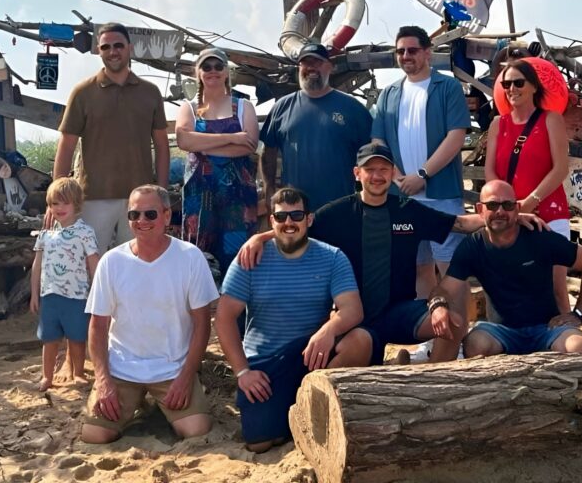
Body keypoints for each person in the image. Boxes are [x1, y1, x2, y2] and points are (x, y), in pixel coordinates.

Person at [239, 144, 542, 367]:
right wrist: (261, 236)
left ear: (393, 173)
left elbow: (461, 223)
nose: (377, 175)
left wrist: (511, 217)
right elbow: (296, 227)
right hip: (355, 318)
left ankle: (435, 380)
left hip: (399, 311)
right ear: (357, 174)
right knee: (353, 369)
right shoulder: (337, 213)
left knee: (454, 323)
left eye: (383, 169)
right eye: (369, 169)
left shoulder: (407, 210)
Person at [215, 187, 363, 452]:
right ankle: (290, 417)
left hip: (311, 354)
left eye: (296, 215)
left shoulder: (332, 257)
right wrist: (242, 372)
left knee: (360, 341)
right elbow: (224, 319)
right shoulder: (250, 258)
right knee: (260, 443)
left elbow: (352, 310)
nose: (289, 223)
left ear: (309, 219)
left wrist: (328, 330)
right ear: (271, 221)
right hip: (265, 360)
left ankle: (321, 414)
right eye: (281, 217)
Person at [81, 185, 217, 443]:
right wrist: (103, 381)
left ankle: (157, 406)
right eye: (134, 215)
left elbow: (202, 325)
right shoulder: (111, 262)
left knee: (196, 429)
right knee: (95, 435)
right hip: (122, 368)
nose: (141, 221)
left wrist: (186, 376)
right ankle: (142, 403)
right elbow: (97, 327)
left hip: (172, 368)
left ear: (166, 215)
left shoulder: (190, 257)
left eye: (150, 214)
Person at [432, 180, 582, 357]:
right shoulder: (473, 246)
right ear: (479, 209)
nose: (500, 211)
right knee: (475, 344)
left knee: (579, 347)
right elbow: (444, 289)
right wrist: (438, 306)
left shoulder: (539, 236)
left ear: (517, 208)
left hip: (547, 328)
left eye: (507, 205)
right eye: (492, 205)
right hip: (501, 331)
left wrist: (579, 314)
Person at [371, 25, 471, 296]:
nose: (406, 55)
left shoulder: (448, 86)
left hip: (442, 196)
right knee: (418, 268)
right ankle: (430, 330)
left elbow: (456, 136)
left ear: (428, 52)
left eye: (412, 50)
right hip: (402, 197)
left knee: (451, 268)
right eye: (400, 51)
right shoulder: (388, 94)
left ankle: (458, 334)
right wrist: (398, 176)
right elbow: (378, 141)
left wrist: (422, 175)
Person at [54, 22, 169, 251]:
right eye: (106, 47)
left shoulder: (150, 92)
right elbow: (66, 146)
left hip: (140, 200)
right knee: (90, 267)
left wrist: (161, 195)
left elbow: (162, 145)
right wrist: (57, 198)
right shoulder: (83, 93)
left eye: (118, 45)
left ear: (129, 48)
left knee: (137, 264)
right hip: (94, 197)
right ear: (98, 50)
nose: (113, 52)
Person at [484, 57, 572, 311]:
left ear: (533, 85)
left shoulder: (551, 120)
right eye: (506, 84)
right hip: (509, 214)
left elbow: (560, 168)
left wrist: (531, 200)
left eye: (518, 82)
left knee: (555, 285)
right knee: (511, 283)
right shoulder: (498, 124)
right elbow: (490, 169)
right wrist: (506, 204)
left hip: (548, 211)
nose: (512, 89)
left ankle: (565, 336)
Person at [261, 42, 372, 212]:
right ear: (299, 67)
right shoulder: (282, 107)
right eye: (306, 63)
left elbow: (371, 155)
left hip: (341, 209)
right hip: (294, 211)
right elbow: (268, 152)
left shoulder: (353, 108)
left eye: (317, 62)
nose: (311, 67)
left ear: (330, 67)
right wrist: (269, 188)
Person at [175, 47, 259, 273]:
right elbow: (183, 140)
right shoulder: (189, 108)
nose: (213, 71)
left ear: (226, 72)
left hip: (237, 198)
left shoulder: (243, 106)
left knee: (240, 258)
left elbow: (248, 145)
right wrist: (232, 138)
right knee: (199, 259)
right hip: (199, 199)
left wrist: (202, 145)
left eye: (218, 66)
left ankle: (239, 308)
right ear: (198, 72)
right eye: (206, 66)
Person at [30, 177, 100, 390]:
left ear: (76, 204)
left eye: (64, 203)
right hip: (50, 295)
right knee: (49, 338)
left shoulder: (85, 233)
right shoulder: (45, 235)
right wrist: (34, 294)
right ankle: (47, 376)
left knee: (76, 336)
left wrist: (99, 292)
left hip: (77, 295)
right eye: (54, 204)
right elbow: (37, 265)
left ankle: (77, 373)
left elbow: (94, 263)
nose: (59, 208)